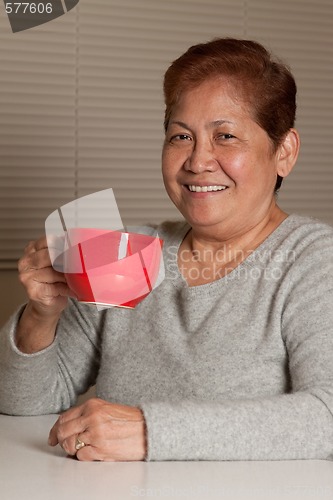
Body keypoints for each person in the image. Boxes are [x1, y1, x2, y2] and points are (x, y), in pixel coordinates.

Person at [0, 37, 333, 462]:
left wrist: (148, 432)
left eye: (226, 136)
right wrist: (41, 316)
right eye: (180, 136)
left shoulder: (313, 260)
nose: (197, 160)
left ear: (283, 152)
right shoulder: (125, 252)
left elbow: (327, 415)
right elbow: (23, 403)